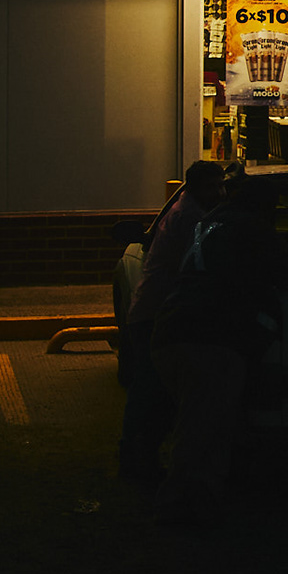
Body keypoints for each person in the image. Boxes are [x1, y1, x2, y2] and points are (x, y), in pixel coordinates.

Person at [149, 172, 288, 527]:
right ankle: (178, 505)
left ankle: (202, 499)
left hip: (171, 331)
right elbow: (286, 273)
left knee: (207, 421)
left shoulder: (211, 221)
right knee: (200, 427)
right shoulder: (254, 227)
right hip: (210, 340)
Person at [117, 159, 226, 486]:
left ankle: (137, 457)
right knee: (151, 391)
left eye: (221, 186)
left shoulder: (185, 211)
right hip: (156, 314)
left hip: (155, 312)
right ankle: (138, 459)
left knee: (151, 389)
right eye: (212, 187)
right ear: (195, 188)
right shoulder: (190, 219)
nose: (219, 193)